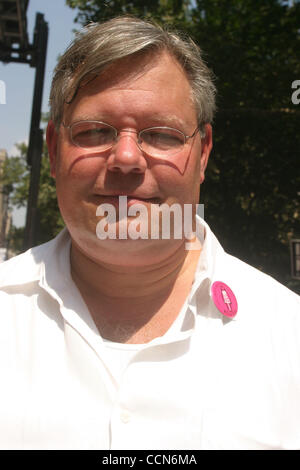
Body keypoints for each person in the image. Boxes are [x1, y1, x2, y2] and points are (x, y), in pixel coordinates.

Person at [0, 15, 299, 451]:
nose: (125, 158)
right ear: (52, 149)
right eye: (94, 132)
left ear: (203, 154)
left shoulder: (288, 333)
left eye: (160, 134)